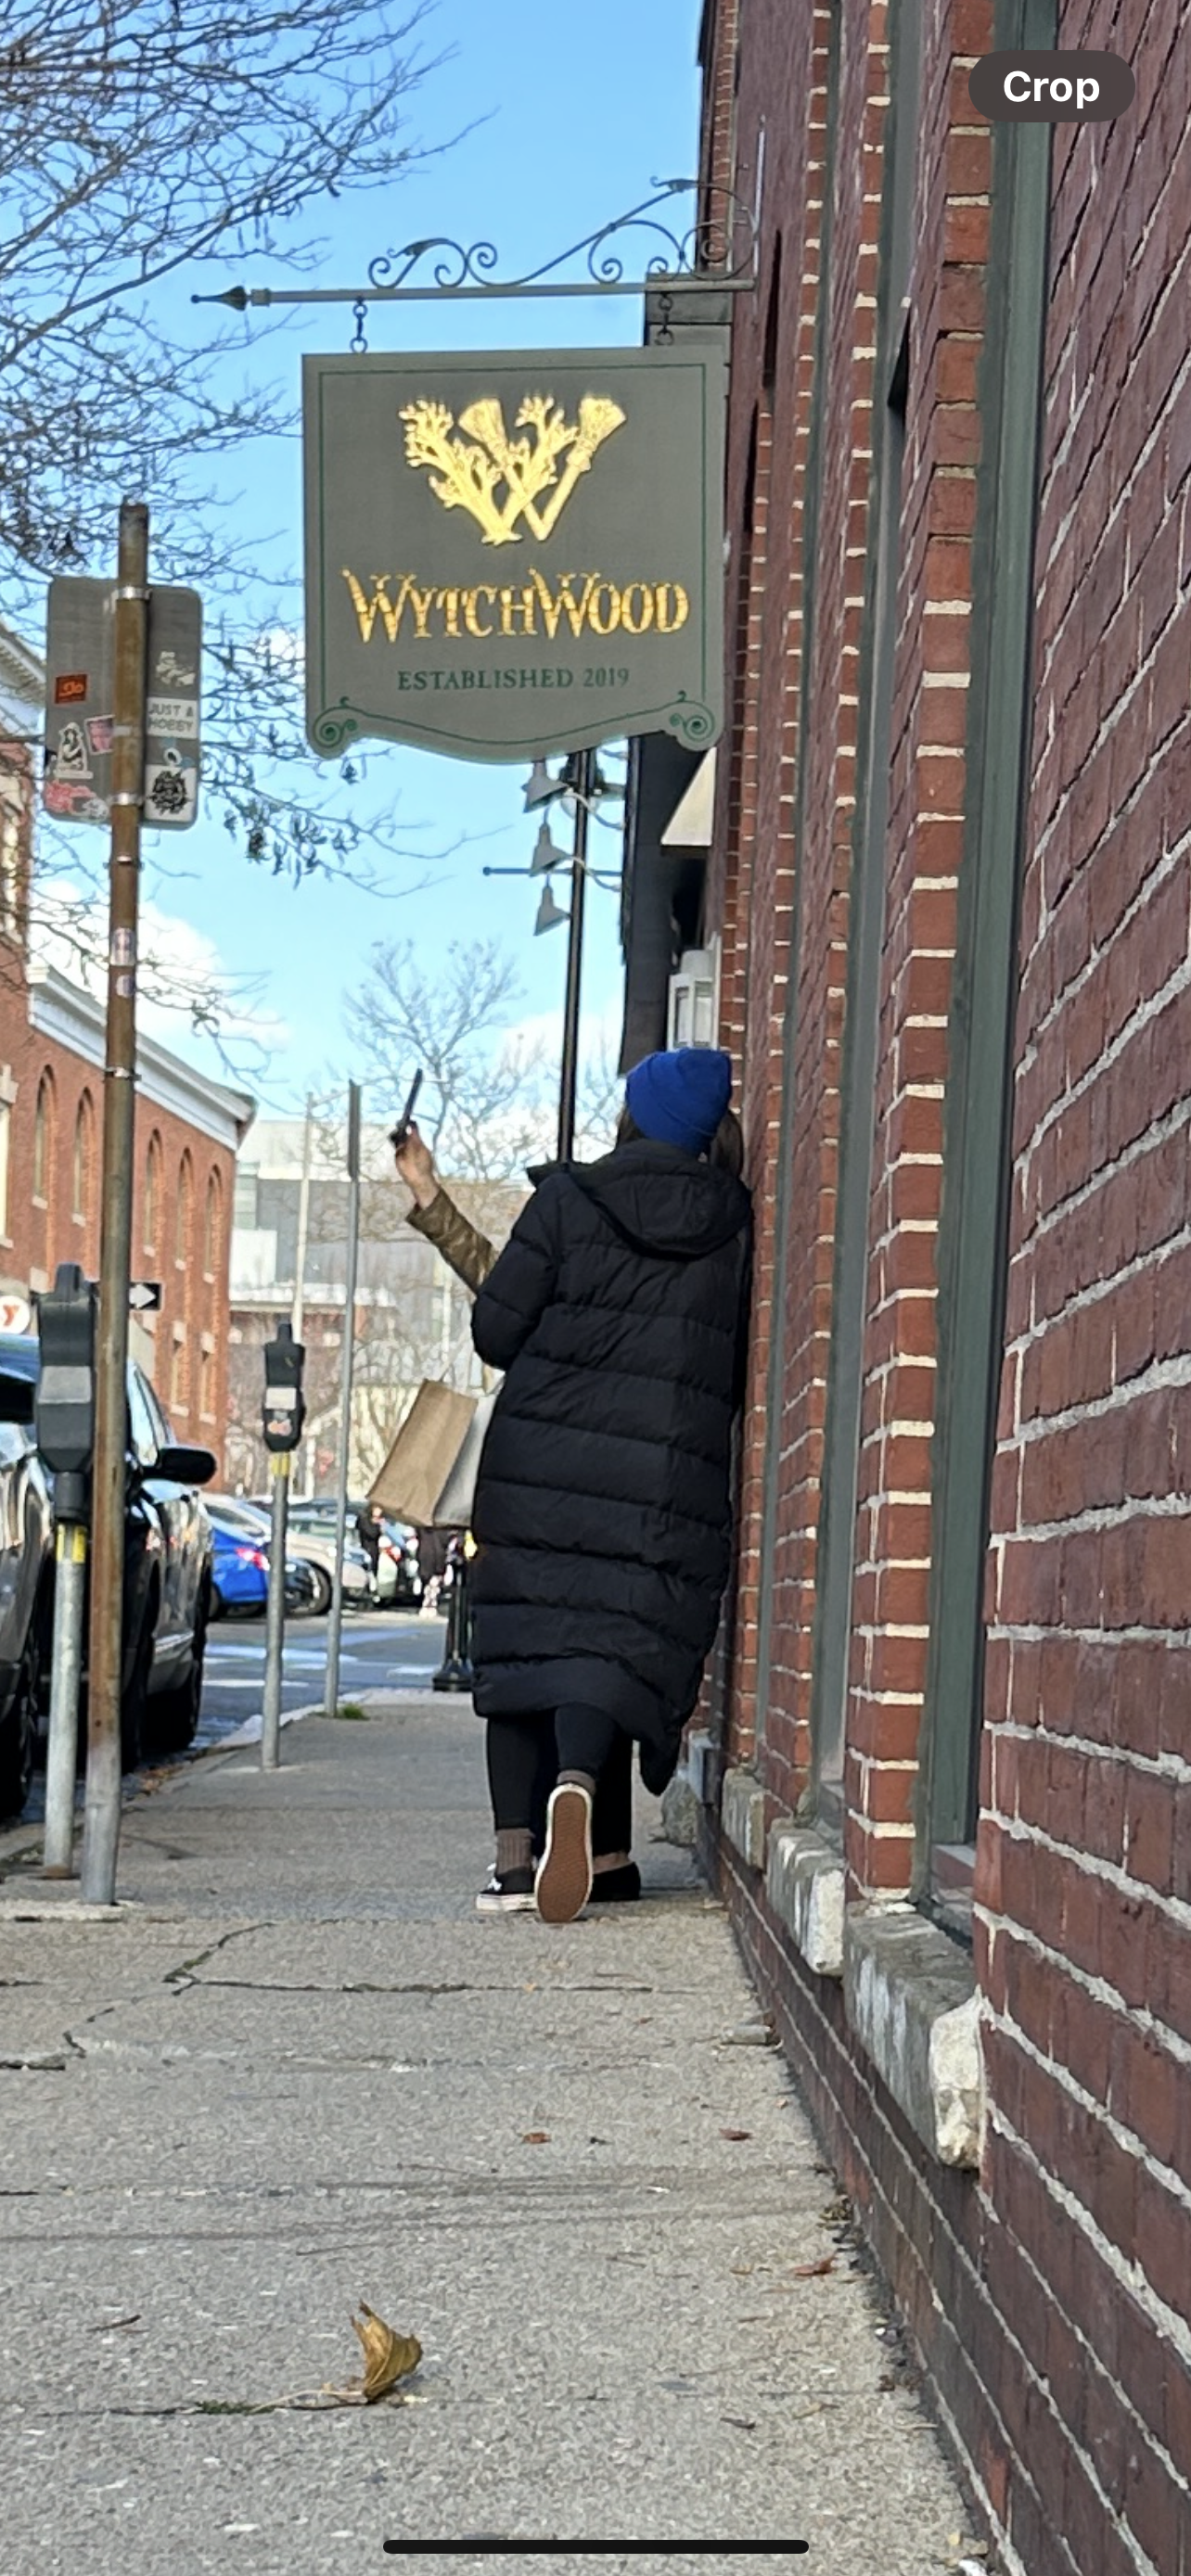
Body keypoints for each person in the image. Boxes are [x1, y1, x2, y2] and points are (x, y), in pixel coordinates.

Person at [464, 1045, 751, 1925]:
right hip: (664, 1475)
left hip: (539, 1462)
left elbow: (494, 1330)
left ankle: (516, 1863)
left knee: (524, 1649)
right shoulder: (732, 1224)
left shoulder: (566, 1201)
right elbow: (734, 1367)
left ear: (632, 1116)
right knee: (608, 1647)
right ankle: (593, 1815)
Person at [393, 1121, 640, 1909]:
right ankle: (600, 1848)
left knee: (518, 1668)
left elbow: (492, 1286)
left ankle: (511, 1862)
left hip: (524, 1484)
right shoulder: (654, 1276)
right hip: (617, 1493)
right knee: (601, 1662)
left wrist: (431, 1197)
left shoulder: (559, 1262)